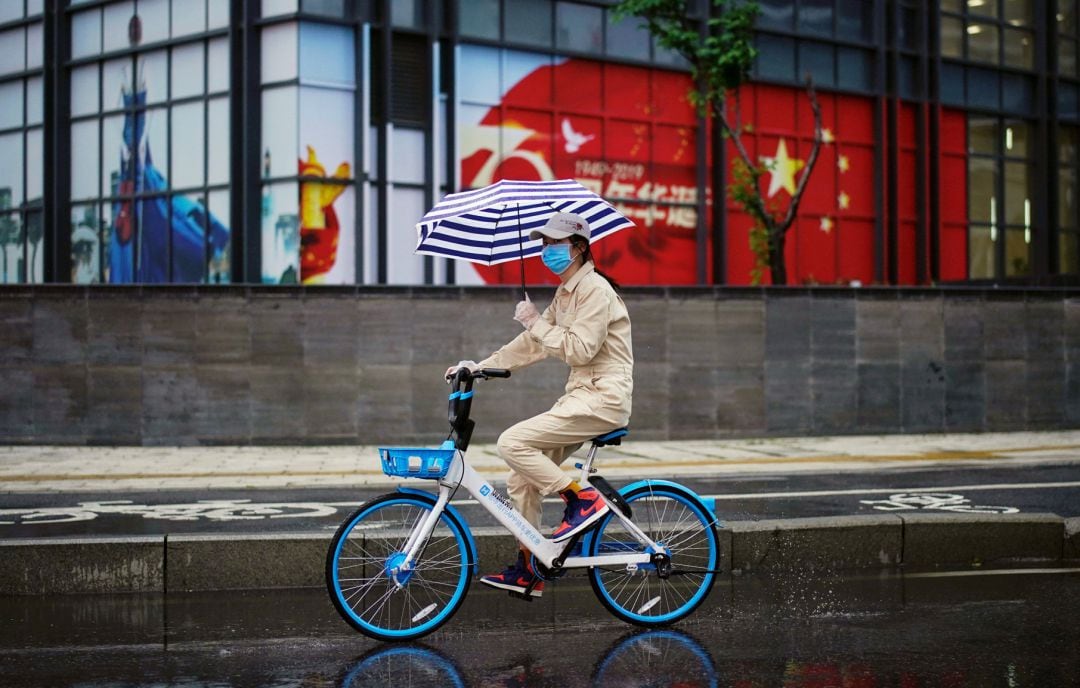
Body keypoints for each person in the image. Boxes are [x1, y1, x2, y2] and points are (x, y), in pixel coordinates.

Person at [445, 212, 634, 598]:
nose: (547, 250)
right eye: (544, 244)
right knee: (521, 478)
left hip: (603, 398)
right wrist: (478, 366)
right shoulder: (567, 293)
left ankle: (581, 499)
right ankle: (529, 567)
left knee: (512, 443)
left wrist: (534, 321)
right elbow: (533, 344)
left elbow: (581, 349)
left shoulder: (595, 290)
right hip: (583, 396)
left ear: (579, 247)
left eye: (556, 243)